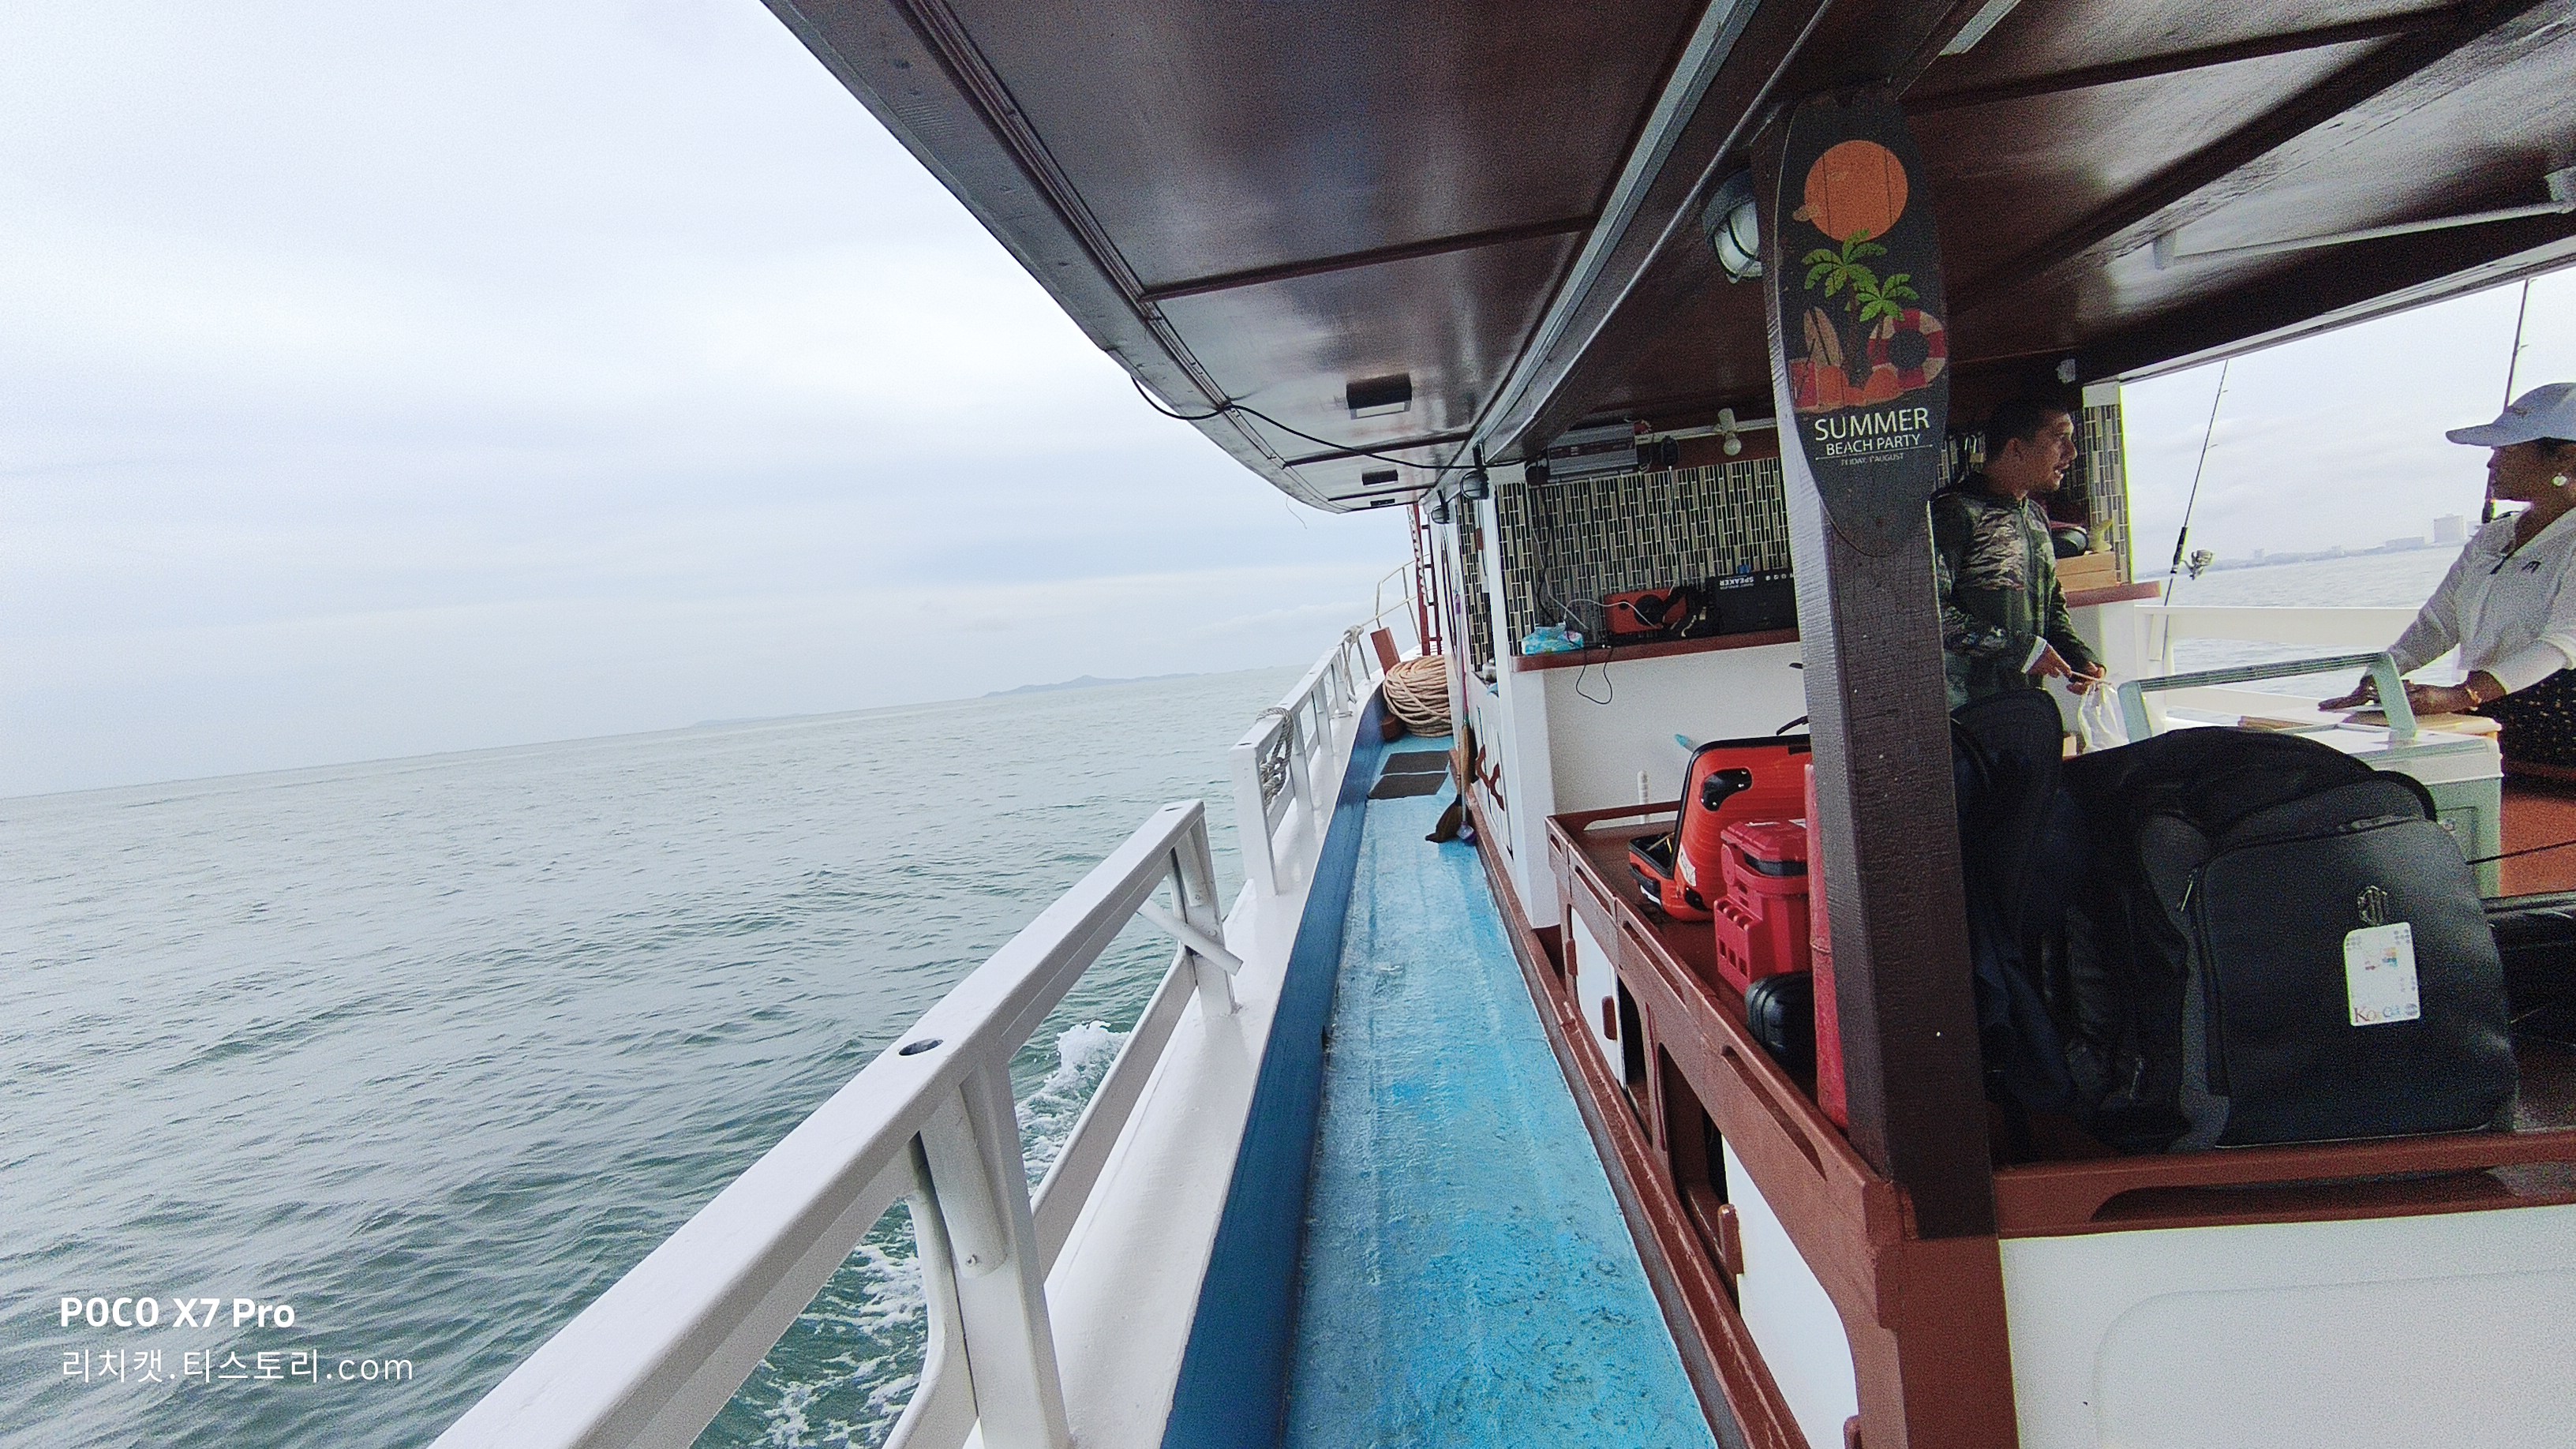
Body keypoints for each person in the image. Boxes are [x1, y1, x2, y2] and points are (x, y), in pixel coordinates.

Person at [2323, 383, 2576, 773]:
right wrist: (2382, 677)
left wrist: (2461, 695)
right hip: (2488, 720)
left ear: (2565, 457)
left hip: (2560, 728)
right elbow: (2438, 624)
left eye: (2506, 450)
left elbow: (2562, 643)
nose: (2492, 464)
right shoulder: (2493, 537)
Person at [1932, 399, 2108, 710]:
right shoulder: (1954, 514)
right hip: (1966, 714)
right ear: (2016, 448)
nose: (2071, 452)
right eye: (2059, 438)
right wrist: (2022, 650)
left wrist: (2079, 656)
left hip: (2023, 707)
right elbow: (1930, 614)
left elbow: (2050, 605)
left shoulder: (2036, 517)